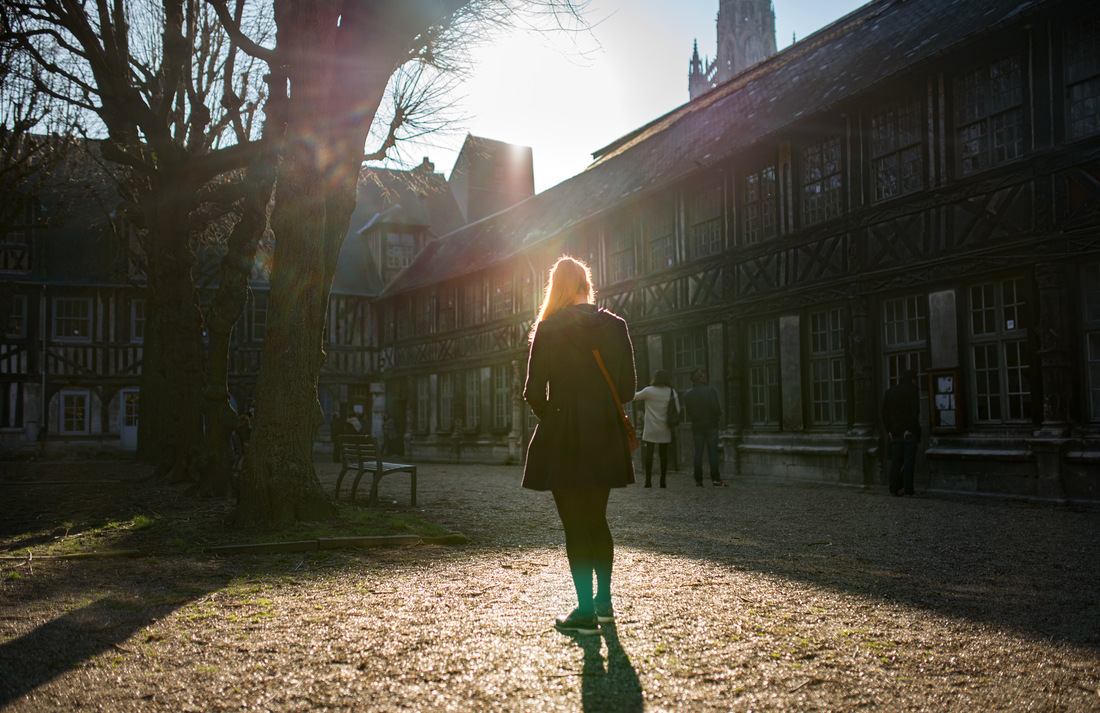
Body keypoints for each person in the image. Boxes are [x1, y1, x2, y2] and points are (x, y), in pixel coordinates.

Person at [523, 255, 636, 636]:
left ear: (556, 287)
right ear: (587, 285)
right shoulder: (616, 326)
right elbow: (627, 390)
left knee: (575, 525)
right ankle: (604, 605)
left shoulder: (549, 328)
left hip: (565, 435)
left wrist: (555, 416)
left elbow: (533, 392)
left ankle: (585, 611)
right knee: (597, 519)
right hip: (604, 433)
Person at [633, 370, 677, 488]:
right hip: (665, 427)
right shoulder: (671, 392)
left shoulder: (649, 391)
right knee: (664, 455)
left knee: (649, 454)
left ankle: (648, 481)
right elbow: (677, 409)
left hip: (651, 427)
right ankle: (663, 481)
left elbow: (634, 396)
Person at [683, 368, 724, 486]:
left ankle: (698, 480)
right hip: (711, 425)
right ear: (700, 378)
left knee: (698, 453)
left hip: (697, 426)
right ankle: (715, 479)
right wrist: (718, 415)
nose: (705, 377)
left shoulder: (688, 394)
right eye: (703, 376)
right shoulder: (711, 391)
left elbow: (689, 412)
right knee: (712, 453)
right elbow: (716, 409)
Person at [883, 369, 921, 497]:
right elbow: (914, 412)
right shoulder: (913, 391)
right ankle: (908, 489)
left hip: (894, 433)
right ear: (912, 379)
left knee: (896, 461)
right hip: (908, 432)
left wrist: (889, 430)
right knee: (909, 462)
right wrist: (909, 429)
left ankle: (894, 488)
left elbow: (884, 414)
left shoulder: (890, 392)